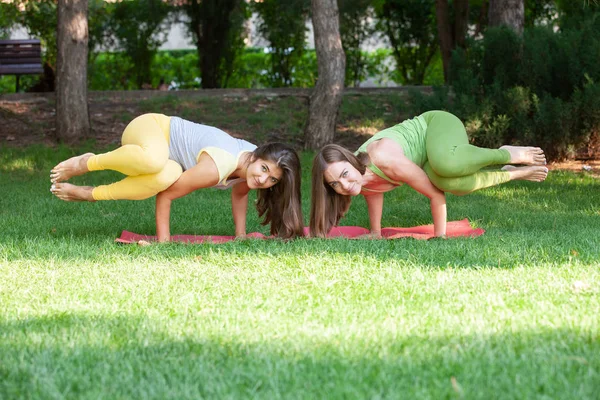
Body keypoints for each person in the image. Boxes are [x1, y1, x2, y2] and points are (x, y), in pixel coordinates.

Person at [50, 113, 304, 241]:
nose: (263, 180)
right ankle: (89, 161)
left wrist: (240, 237)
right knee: (155, 161)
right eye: (264, 170)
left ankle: (90, 194)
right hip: (150, 128)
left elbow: (239, 192)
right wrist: (164, 243)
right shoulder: (218, 165)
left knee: (167, 174)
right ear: (256, 157)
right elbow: (168, 196)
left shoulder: (250, 162)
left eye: (272, 180)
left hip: (165, 156)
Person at [310, 110, 548, 238]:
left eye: (343, 173)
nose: (344, 184)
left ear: (352, 161)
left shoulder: (384, 159)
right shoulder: (361, 179)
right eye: (335, 184)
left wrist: (440, 237)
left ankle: (505, 154)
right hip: (425, 156)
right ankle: (513, 174)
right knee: (454, 184)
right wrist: (375, 232)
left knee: (447, 166)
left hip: (436, 126)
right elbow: (374, 194)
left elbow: (435, 195)